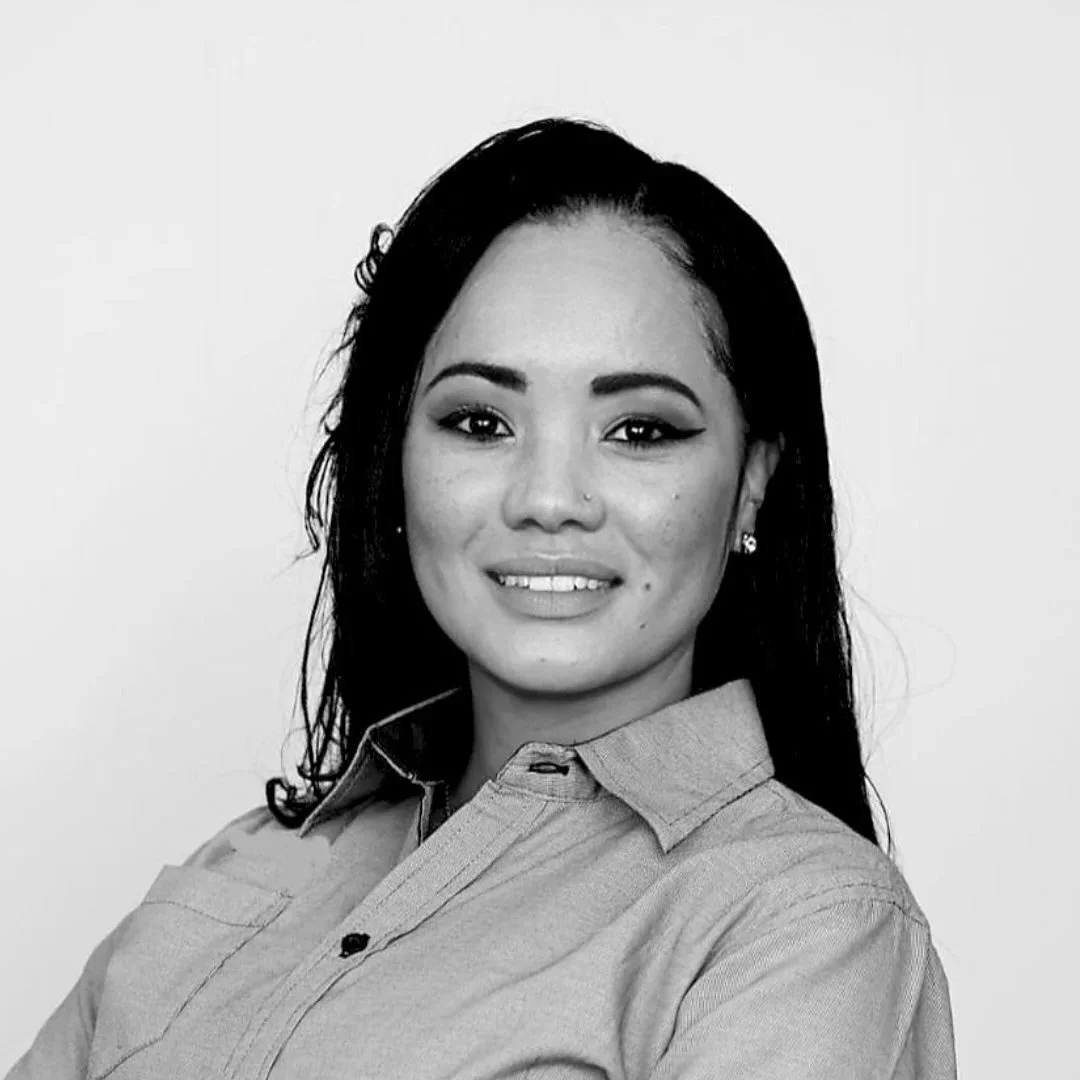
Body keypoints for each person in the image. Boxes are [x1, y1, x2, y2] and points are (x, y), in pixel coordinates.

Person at [8, 117, 956, 1079]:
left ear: (752, 481)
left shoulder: (802, 925)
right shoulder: (252, 862)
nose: (549, 500)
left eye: (638, 431)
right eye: (479, 420)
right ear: (398, 465)